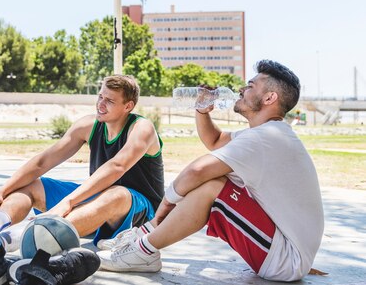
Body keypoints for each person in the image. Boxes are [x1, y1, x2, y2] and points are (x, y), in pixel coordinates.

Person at [98, 60, 324, 282]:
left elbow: (197, 171)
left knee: (212, 185)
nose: (241, 89)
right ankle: (145, 235)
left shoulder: (265, 138)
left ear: (269, 98)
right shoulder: (268, 134)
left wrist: (165, 205)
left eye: (250, 85)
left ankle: (143, 250)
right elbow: (215, 140)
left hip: (285, 260)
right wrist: (202, 111)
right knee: (213, 181)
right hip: (281, 248)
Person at [0, 74, 164, 252]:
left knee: (118, 193)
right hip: (96, 207)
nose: (100, 104)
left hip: (140, 214)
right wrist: (4, 189)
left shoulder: (141, 127)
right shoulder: (89, 125)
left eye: (109, 101)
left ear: (128, 106)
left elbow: (117, 167)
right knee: (32, 184)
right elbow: (44, 160)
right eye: (100, 96)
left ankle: (15, 239)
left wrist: (67, 203)